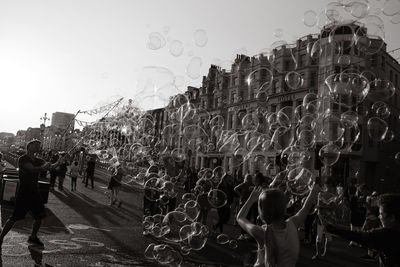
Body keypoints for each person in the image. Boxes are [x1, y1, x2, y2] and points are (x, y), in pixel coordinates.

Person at [237, 183, 321, 267]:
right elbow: (306, 207)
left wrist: (251, 199)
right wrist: (314, 191)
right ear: (285, 208)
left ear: (261, 211)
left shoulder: (261, 232)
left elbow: (240, 218)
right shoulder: (293, 223)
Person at [0, 140, 62, 249]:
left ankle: (33, 237)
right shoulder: (23, 159)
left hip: (34, 191)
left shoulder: (38, 160)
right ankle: (1, 238)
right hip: (24, 192)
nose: (38, 147)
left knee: (39, 216)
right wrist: (43, 167)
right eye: (36, 145)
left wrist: (58, 162)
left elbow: (51, 167)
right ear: (29, 147)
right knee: (15, 217)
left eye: (39, 145)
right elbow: (32, 169)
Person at [326, 193, 400, 267]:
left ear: (392, 218)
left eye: (381, 214)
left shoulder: (387, 234)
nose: (379, 217)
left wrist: (330, 227)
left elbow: (358, 236)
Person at [312, 176, 337, 260]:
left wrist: (323, 206)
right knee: (319, 237)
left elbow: (333, 207)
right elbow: (319, 207)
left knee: (328, 237)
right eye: (329, 185)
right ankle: (318, 253)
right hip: (321, 218)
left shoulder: (333, 196)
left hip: (330, 219)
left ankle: (324, 254)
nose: (330, 187)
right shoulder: (321, 194)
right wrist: (324, 209)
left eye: (332, 186)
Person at [234, 173, 254, 240]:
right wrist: (240, 195)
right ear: (245, 178)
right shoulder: (244, 184)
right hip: (242, 202)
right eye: (248, 178)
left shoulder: (252, 185)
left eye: (250, 178)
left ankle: (246, 233)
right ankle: (242, 234)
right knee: (242, 218)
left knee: (247, 218)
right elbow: (235, 188)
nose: (249, 179)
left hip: (249, 203)